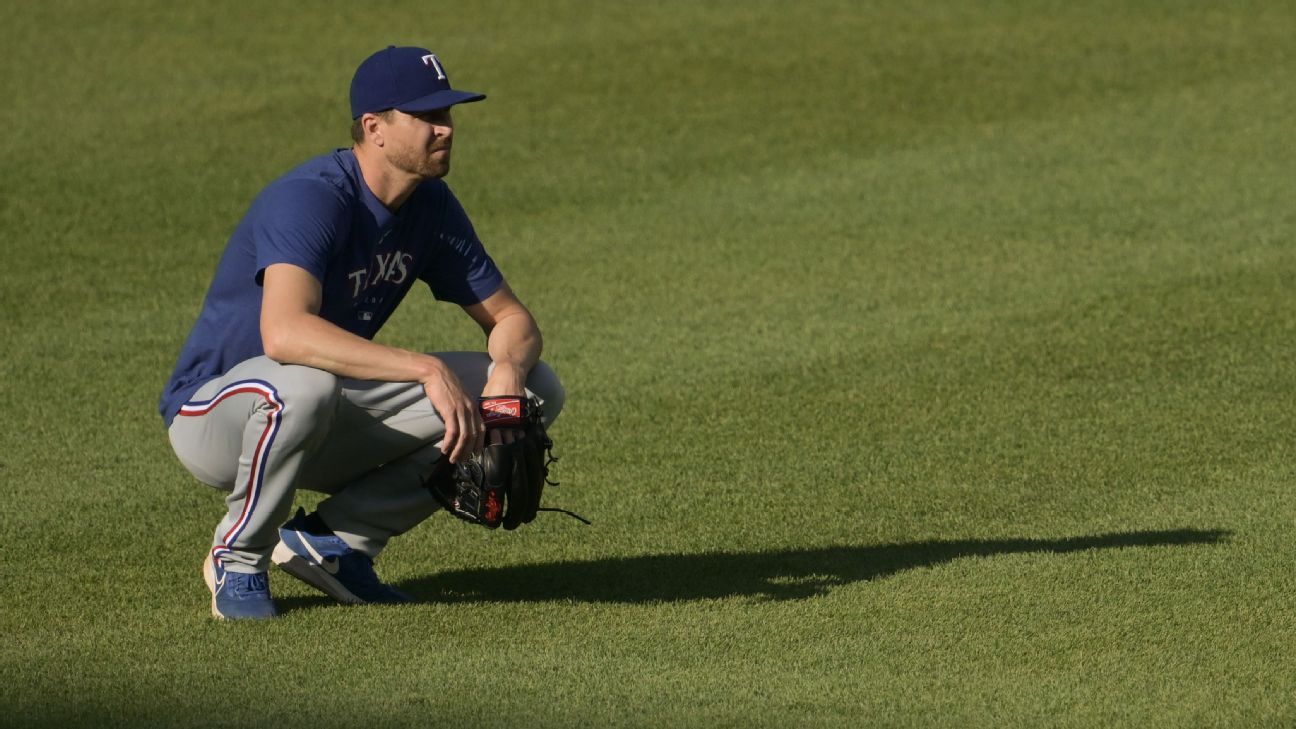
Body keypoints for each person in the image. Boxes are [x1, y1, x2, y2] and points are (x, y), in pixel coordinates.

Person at [158, 45, 564, 620]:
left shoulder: (431, 206)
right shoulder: (312, 198)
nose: (446, 130)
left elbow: (513, 321)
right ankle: (238, 556)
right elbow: (285, 334)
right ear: (374, 128)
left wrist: (505, 376)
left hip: (317, 411)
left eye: (448, 115)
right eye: (428, 117)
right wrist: (426, 368)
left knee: (535, 390)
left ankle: (335, 544)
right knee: (304, 385)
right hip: (215, 413)